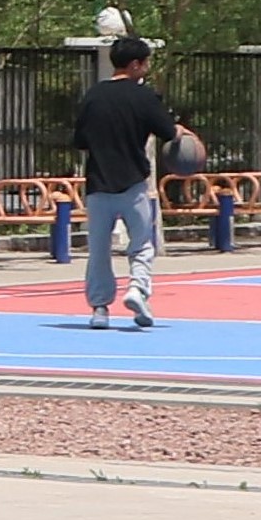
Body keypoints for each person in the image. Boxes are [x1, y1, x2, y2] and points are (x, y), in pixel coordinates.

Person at [72, 34, 197, 332]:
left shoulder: (93, 96)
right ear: (135, 65)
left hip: (98, 184)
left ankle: (99, 309)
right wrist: (181, 132)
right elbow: (169, 132)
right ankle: (137, 290)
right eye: (146, 63)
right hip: (133, 184)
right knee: (141, 244)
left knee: (98, 250)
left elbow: (79, 141)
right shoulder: (144, 97)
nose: (147, 68)